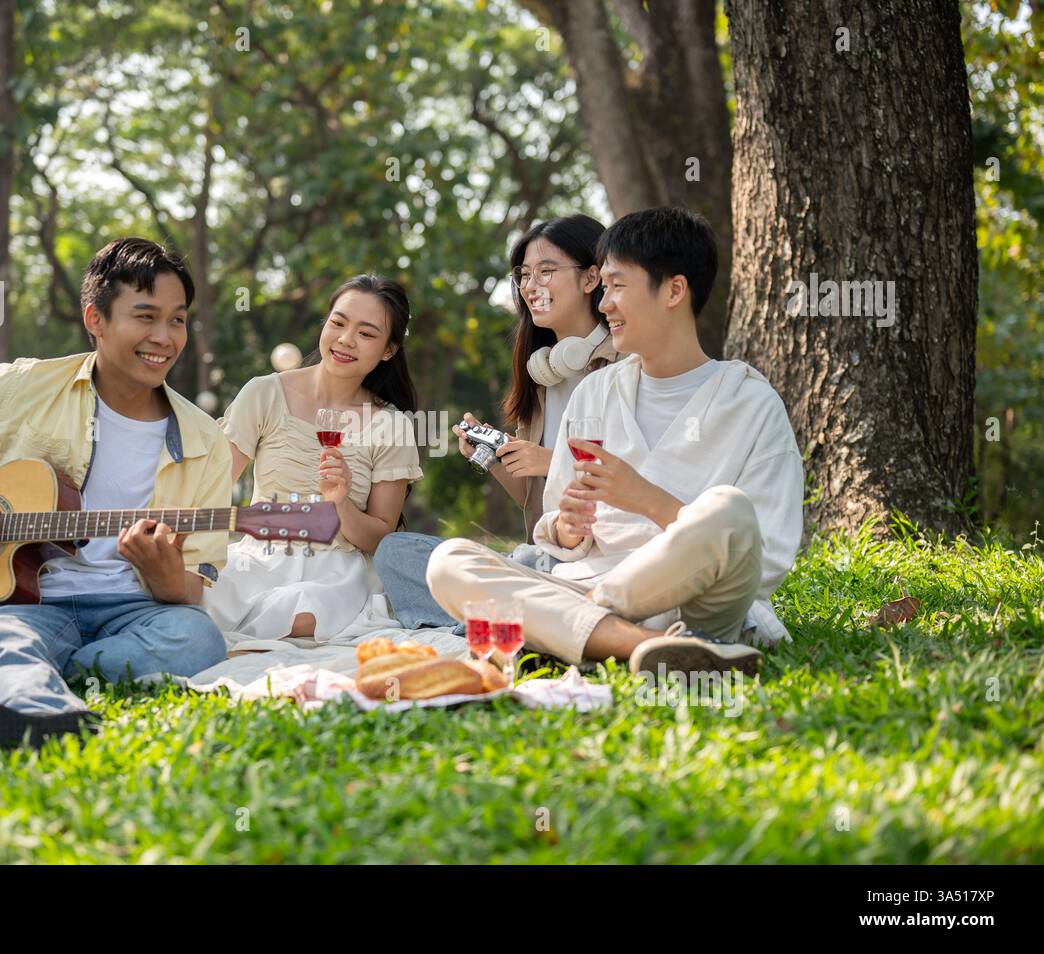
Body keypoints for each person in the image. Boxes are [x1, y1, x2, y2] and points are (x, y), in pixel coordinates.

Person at [0, 237, 232, 760]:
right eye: (145, 317)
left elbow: (191, 587)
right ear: (95, 319)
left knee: (198, 639)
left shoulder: (205, 441)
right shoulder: (26, 386)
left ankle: (10, 680)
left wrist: (166, 578)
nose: (164, 338)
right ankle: (44, 711)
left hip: (133, 612)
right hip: (27, 602)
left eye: (178, 320)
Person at [426, 207, 804, 675]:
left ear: (674, 290)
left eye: (618, 286)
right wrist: (567, 526)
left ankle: (578, 627)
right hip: (580, 583)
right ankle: (643, 644)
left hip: (692, 602)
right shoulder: (596, 393)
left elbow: (762, 553)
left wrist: (645, 498)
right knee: (449, 561)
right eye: (603, 288)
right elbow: (560, 537)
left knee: (726, 509)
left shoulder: (750, 402)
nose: (604, 304)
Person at [374, 214, 618, 631]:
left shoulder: (623, 365)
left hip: (601, 561)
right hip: (544, 558)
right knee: (395, 552)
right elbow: (530, 497)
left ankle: (502, 620)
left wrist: (550, 460)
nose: (530, 286)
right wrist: (494, 456)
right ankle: (519, 618)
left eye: (546, 271)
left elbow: (636, 468)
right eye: (523, 275)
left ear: (591, 277)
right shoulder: (541, 376)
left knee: (504, 571)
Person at [204, 275, 423, 648]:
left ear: (389, 350)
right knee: (200, 600)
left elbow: (381, 540)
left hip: (336, 568)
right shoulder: (264, 393)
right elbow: (209, 487)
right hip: (259, 556)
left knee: (303, 613)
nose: (345, 340)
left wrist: (339, 503)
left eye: (366, 334)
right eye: (338, 323)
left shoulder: (392, 425)